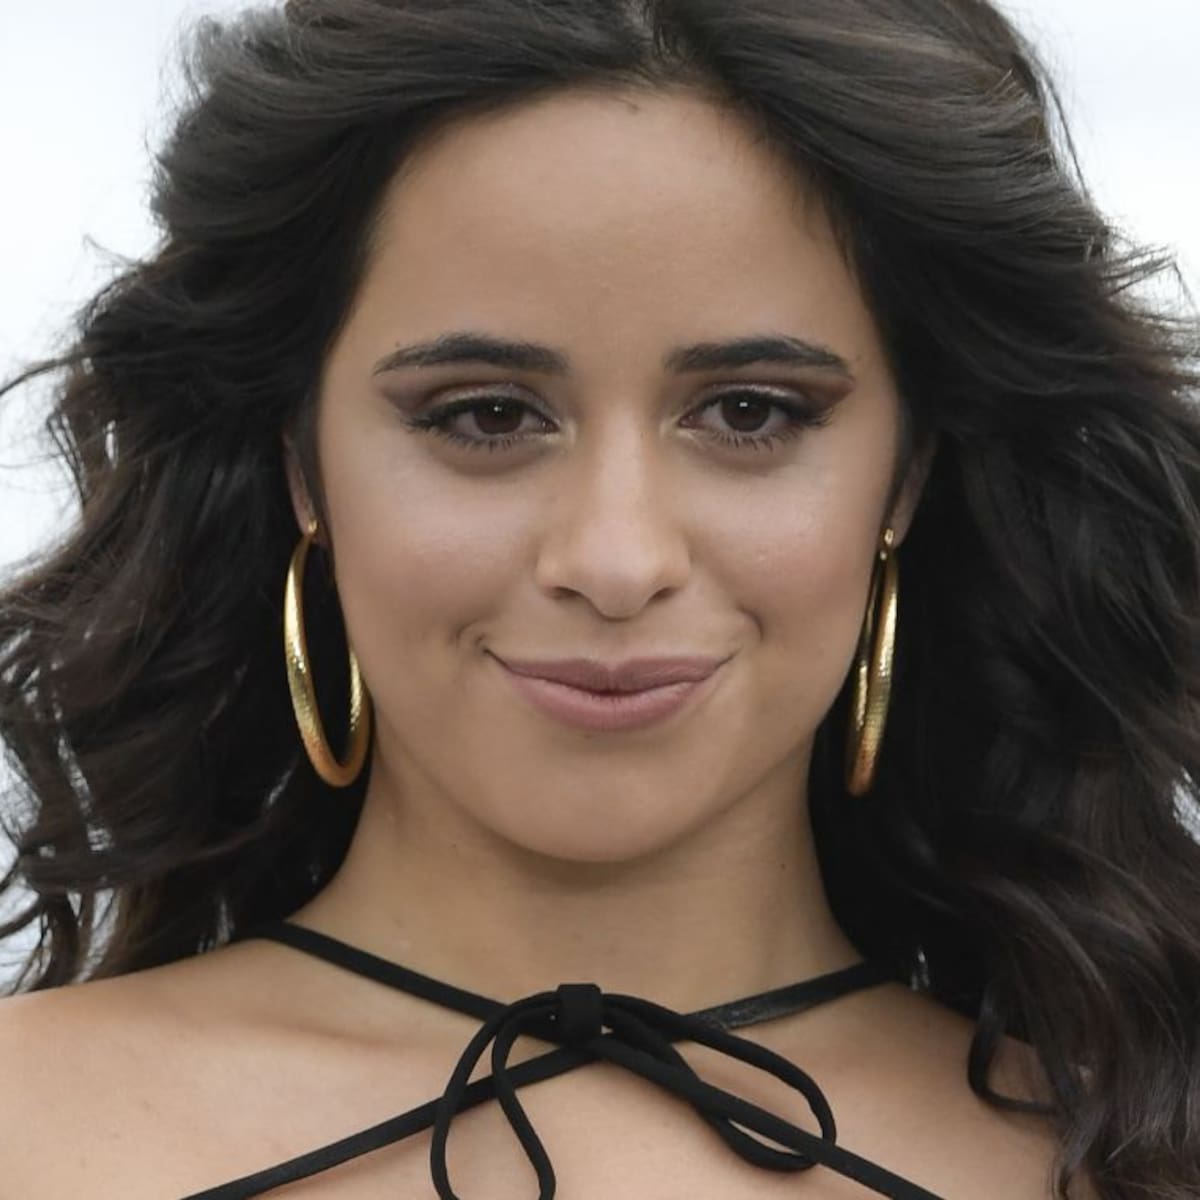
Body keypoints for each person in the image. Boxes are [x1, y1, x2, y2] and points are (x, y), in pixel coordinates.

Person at [1, 0, 1198, 1196]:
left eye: (749, 412)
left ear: (909, 475)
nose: (616, 562)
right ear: (302, 465)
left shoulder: (1138, 1161)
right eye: (486, 415)